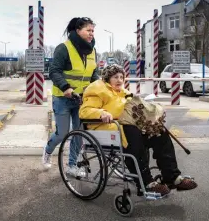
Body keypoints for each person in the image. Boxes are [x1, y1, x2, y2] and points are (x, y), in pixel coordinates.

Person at [79, 64, 198, 196]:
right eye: (115, 77)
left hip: (127, 126)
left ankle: (172, 177)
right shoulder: (97, 90)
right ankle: (146, 183)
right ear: (107, 79)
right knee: (133, 134)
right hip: (105, 127)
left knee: (160, 132)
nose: (119, 80)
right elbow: (85, 111)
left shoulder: (125, 93)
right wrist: (101, 113)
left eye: (121, 77)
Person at [42, 17, 99, 176]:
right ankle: (47, 151)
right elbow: (54, 71)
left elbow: (94, 74)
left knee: (79, 133)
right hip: (63, 98)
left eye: (93, 31)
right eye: (88, 30)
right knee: (62, 133)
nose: (91, 34)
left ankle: (72, 166)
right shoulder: (64, 48)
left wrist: (101, 87)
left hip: (82, 99)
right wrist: (66, 87)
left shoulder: (93, 51)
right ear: (78, 30)